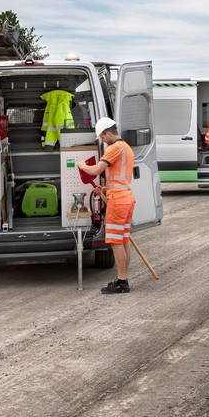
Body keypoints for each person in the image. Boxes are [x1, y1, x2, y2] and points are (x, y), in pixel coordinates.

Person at [79, 117, 136, 294]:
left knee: (115, 241)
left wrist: (81, 165)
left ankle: (121, 282)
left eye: (102, 137)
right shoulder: (126, 148)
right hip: (126, 196)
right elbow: (120, 177)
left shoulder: (114, 148)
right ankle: (123, 279)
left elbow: (95, 170)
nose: (102, 140)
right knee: (124, 240)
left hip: (117, 201)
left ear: (109, 133)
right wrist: (105, 187)